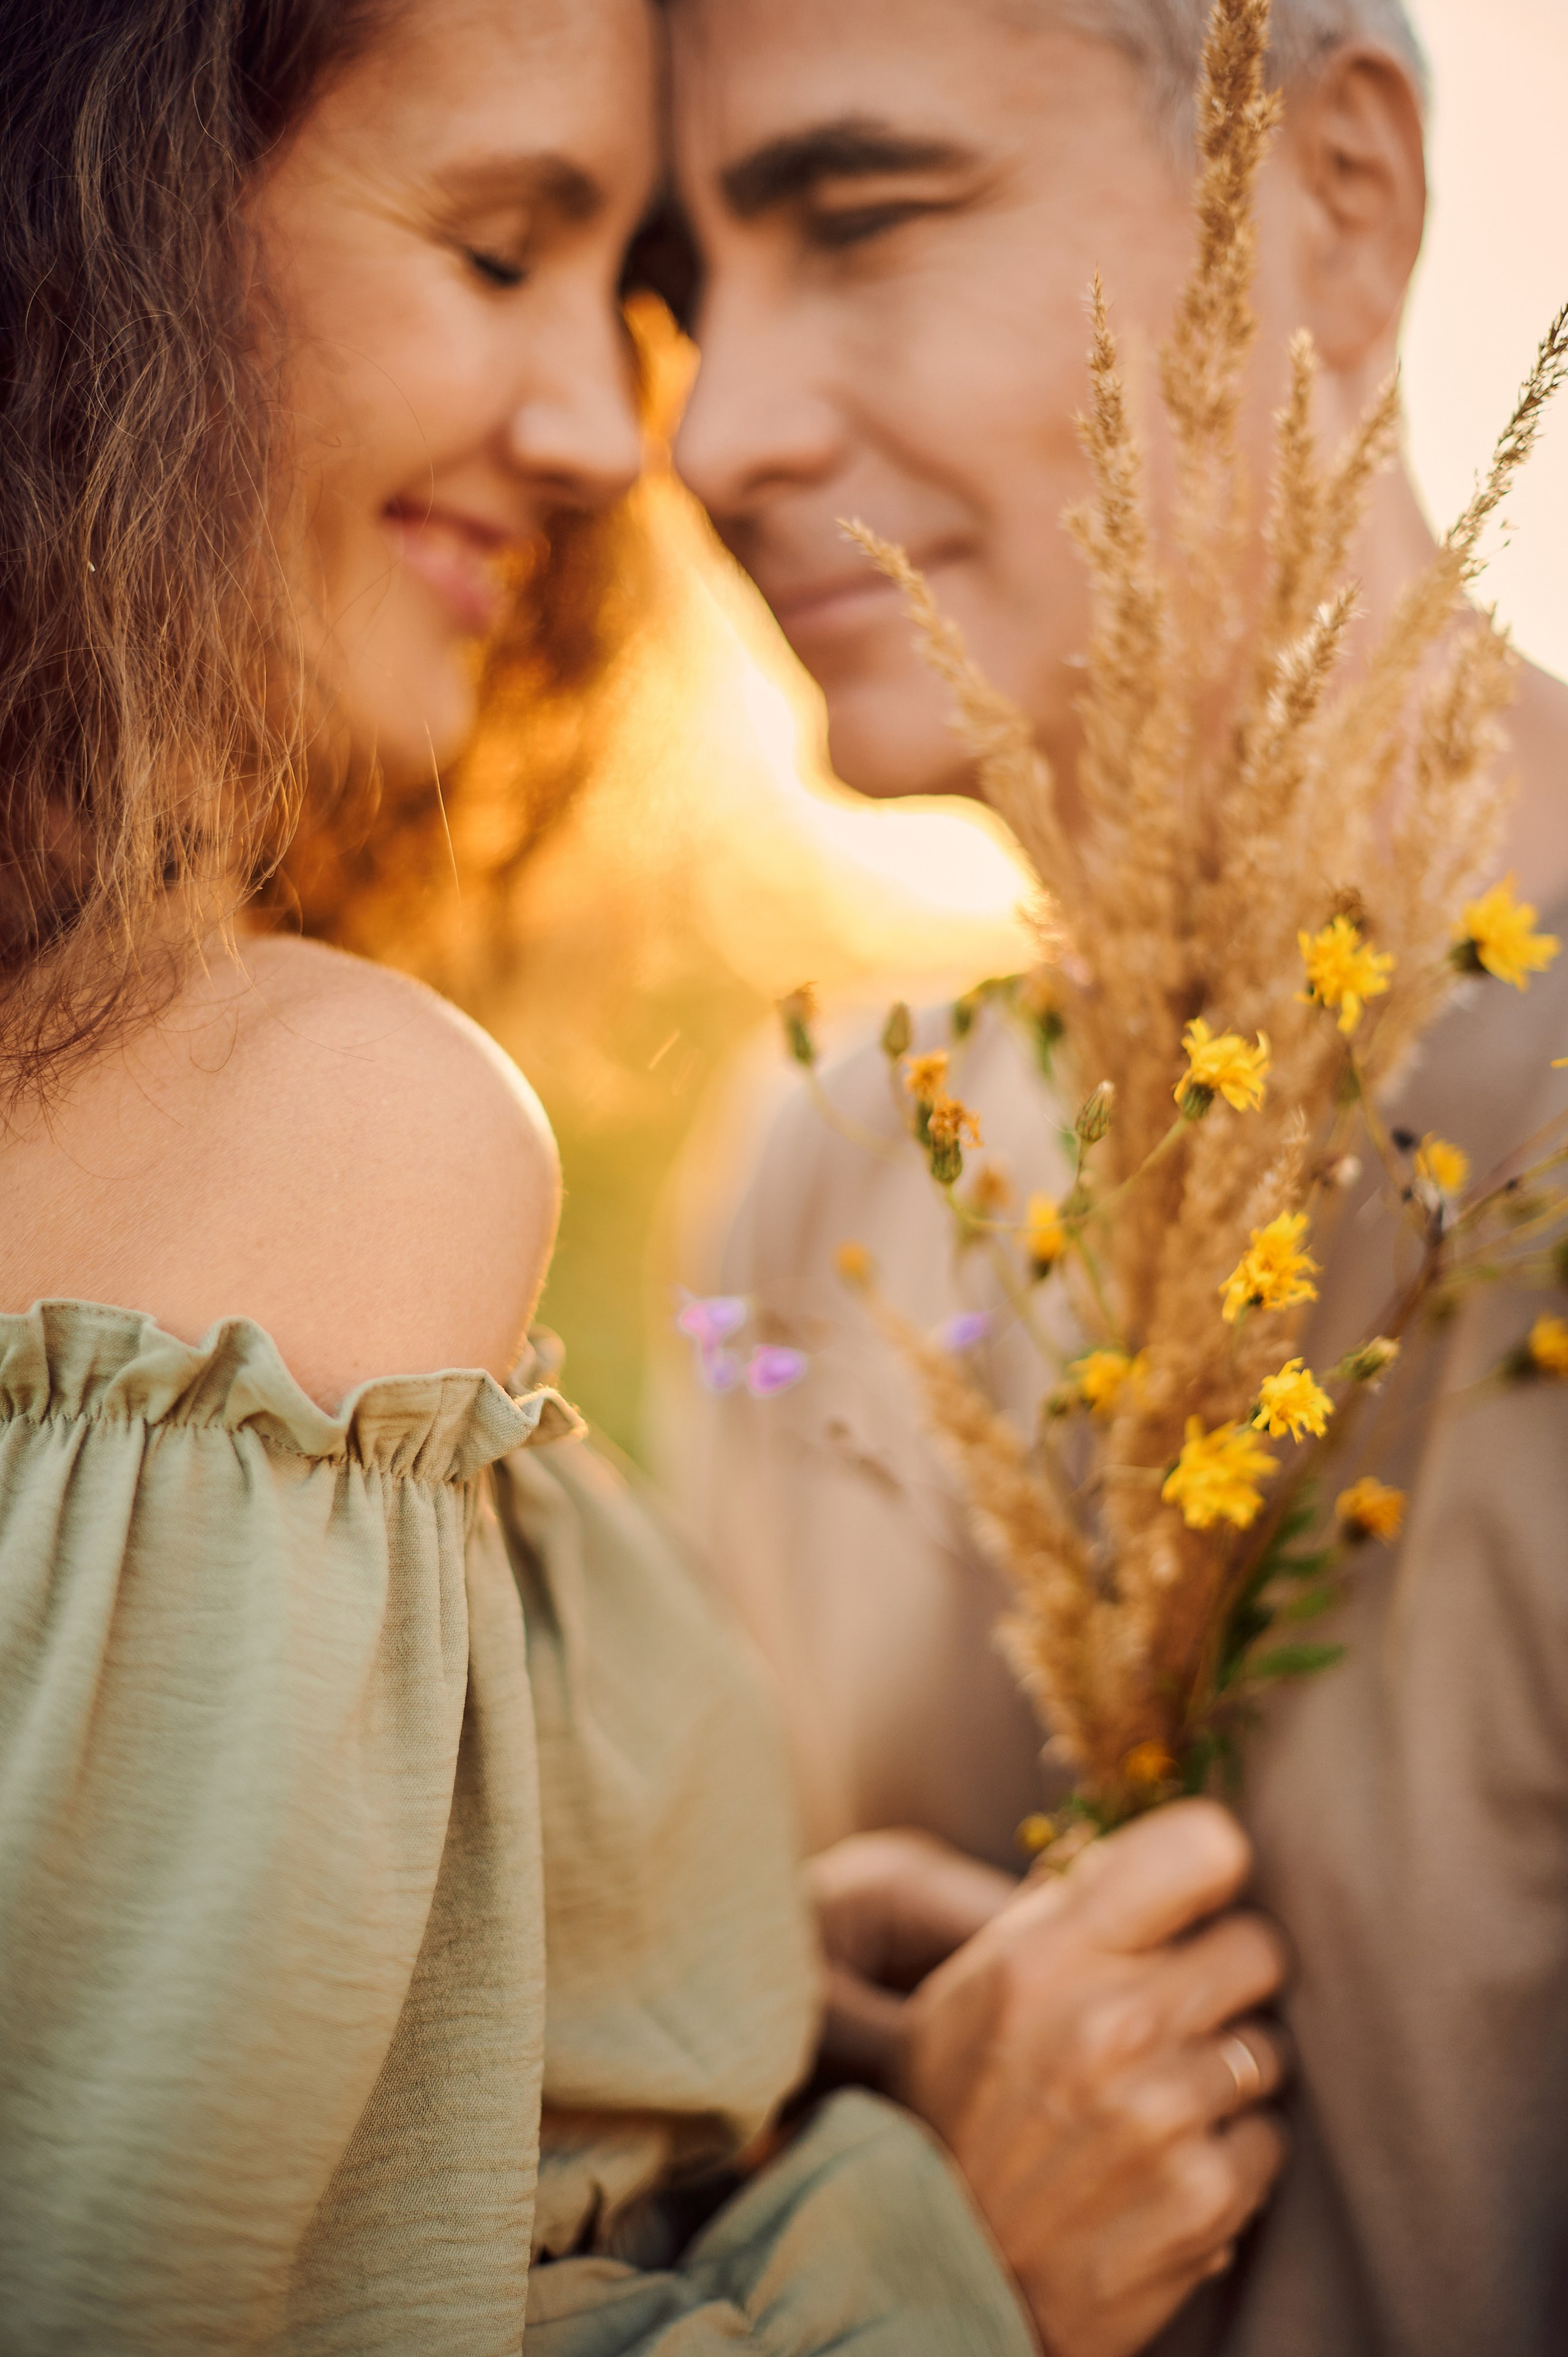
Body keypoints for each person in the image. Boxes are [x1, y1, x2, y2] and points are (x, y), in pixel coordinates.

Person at [0, 2, 1287, 2351]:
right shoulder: (311, 1116)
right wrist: (944, 2265)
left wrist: (725, 2012)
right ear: (84, 243)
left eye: (634, 304)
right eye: (501, 253)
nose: (619, 433)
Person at [662, 1, 1568, 2351]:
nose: (713, 427)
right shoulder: (821, 1189)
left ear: (1339, 194)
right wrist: (820, 2114)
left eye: (861, 218)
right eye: (677, 284)